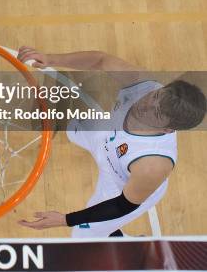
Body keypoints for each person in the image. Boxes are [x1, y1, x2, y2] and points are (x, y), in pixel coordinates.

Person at [16, 46, 206, 237]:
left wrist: (65, 219)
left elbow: (121, 205)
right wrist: (50, 58)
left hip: (119, 185)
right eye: (156, 96)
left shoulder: (152, 164)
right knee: (70, 125)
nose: (145, 104)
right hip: (105, 136)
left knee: (82, 236)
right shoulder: (144, 84)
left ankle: (129, 246)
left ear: (168, 129)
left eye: (155, 113)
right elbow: (101, 60)